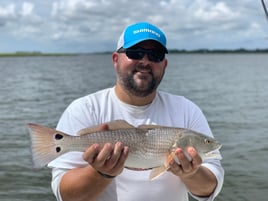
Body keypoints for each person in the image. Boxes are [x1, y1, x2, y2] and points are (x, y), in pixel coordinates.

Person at [48, 22, 224, 201]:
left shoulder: (187, 109)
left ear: (164, 64)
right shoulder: (84, 109)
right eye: (135, 53)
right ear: (116, 59)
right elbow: (66, 195)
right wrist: (101, 173)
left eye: (155, 55)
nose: (145, 61)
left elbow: (210, 187)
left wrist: (190, 173)